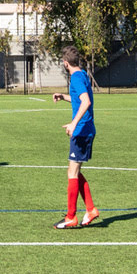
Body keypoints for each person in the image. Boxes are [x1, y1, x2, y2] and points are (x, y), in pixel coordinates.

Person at [50, 46, 98, 229]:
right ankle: (91, 209)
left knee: (72, 173)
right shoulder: (83, 74)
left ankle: (71, 216)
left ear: (65, 63)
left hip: (82, 131)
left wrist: (73, 123)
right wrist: (64, 96)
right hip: (85, 130)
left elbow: (86, 102)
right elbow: (79, 99)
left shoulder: (76, 77)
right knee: (75, 172)